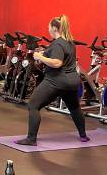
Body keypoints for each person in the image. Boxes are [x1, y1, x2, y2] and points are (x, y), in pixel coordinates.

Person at [16, 15, 89, 146]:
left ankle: (31, 139)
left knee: (33, 105)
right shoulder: (70, 43)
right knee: (74, 107)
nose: (48, 29)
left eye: (49, 27)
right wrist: (45, 53)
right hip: (72, 81)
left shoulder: (57, 44)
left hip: (56, 81)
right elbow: (61, 57)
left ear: (55, 28)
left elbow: (57, 63)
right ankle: (83, 136)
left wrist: (39, 56)